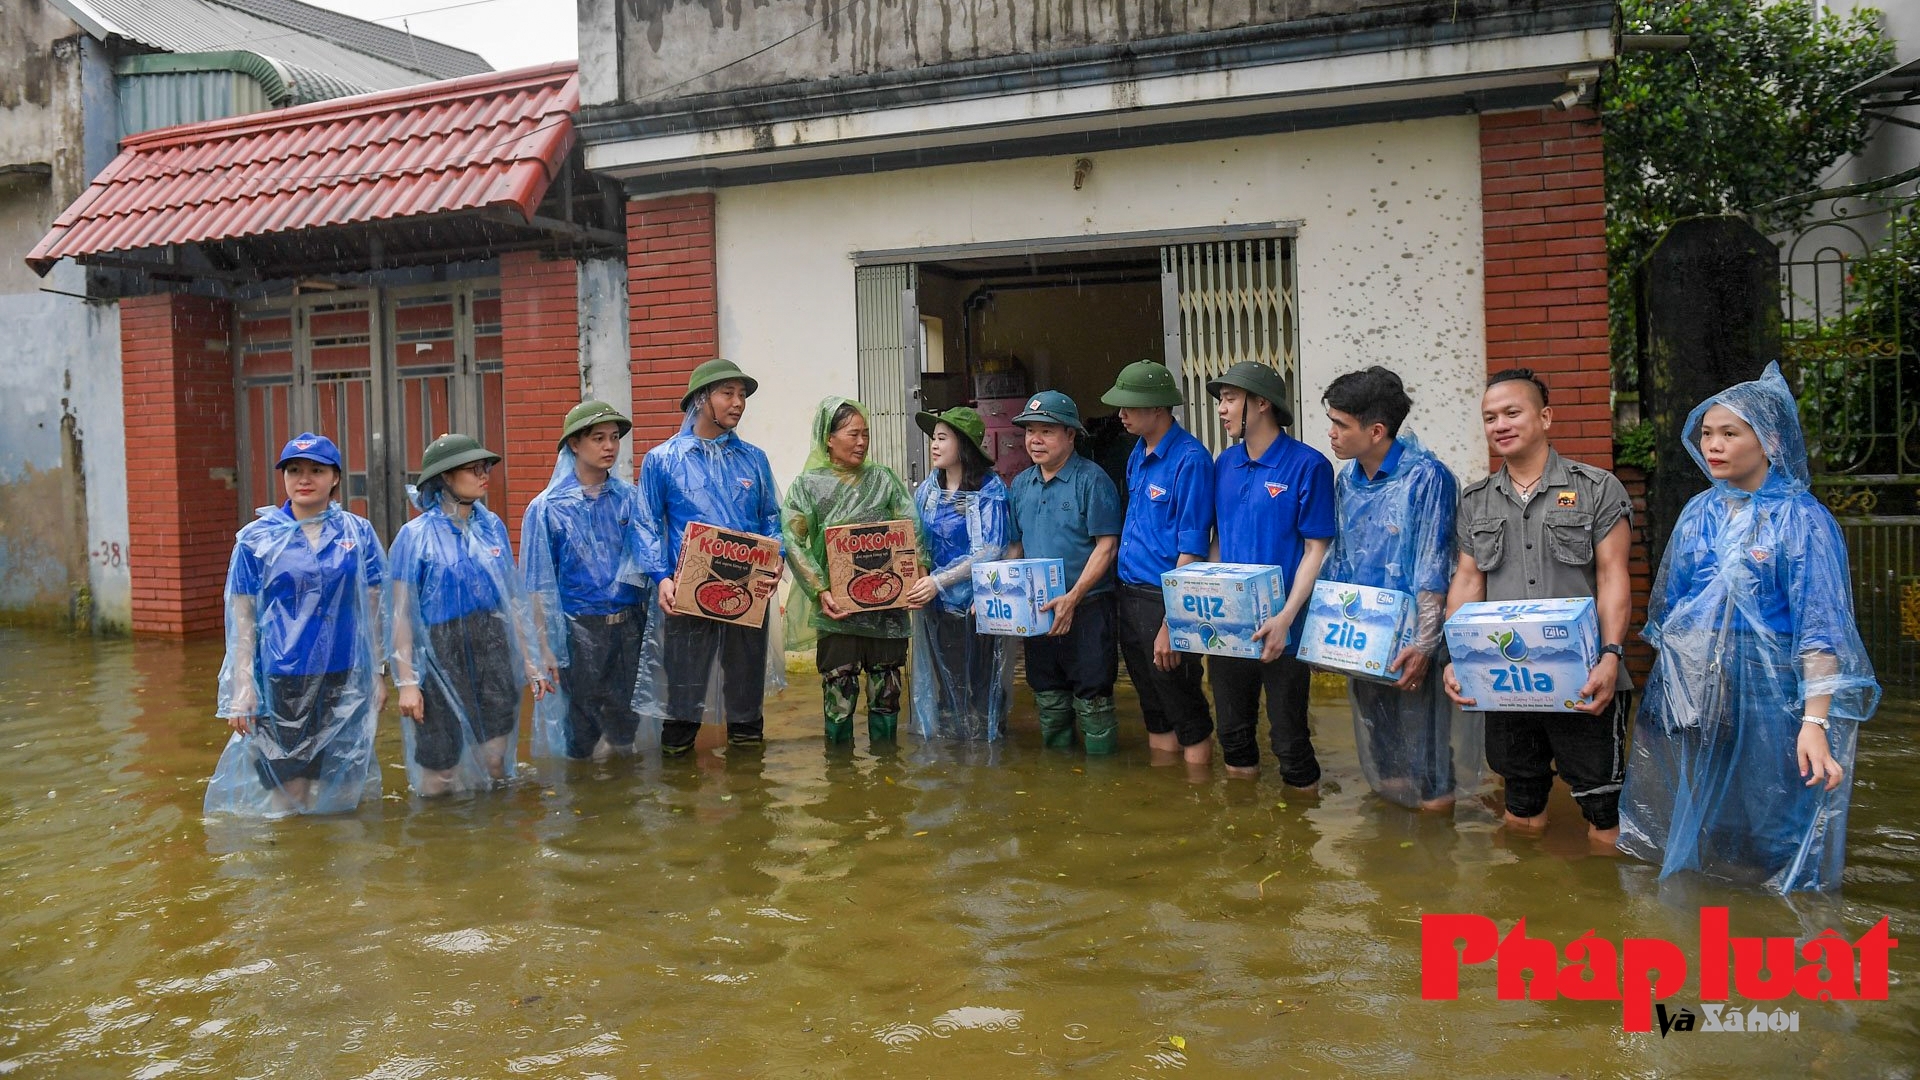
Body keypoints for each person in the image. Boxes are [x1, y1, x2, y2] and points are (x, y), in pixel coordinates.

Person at [1617, 363, 1878, 893]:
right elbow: (1674, 614)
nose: (1713, 445)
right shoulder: (1698, 513)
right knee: (1712, 820)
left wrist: (1815, 722)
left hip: (1774, 693)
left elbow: (1820, 627)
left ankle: (1785, 941)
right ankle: (1717, 939)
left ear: (1770, 441)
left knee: (1777, 814)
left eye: (1730, 433)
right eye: (1707, 433)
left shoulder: (1803, 519)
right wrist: (1679, 700)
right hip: (1703, 687)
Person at [1442, 368, 1634, 846]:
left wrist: (1611, 655)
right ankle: (1526, 904)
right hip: (1505, 677)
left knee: (1600, 802)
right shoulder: (1475, 501)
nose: (1500, 425)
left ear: (1545, 417)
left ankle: (1601, 907)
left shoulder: (1596, 488)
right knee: (1520, 796)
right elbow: (1467, 580)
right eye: (1490, 417)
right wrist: (1455, 658)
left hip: (1583, 673)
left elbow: (1613, 577)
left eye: (1512, 412)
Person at [208, 433, 386, 817]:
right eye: (294, 470)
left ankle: (332, 874)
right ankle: (289, 870)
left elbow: (373, 608)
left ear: (335, 477)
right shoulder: (256, 540)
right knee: (289, 789)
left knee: (341, 782)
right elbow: (242, 619)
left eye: (316, 470)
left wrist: (376, 674)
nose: (304, 479)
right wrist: (243, 687)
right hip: (282, 680)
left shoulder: (357, 533)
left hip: (344, 678)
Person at [1320, 366, 1471, 811]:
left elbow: (1433, 567)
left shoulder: (1428, 478)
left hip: (1413, 642)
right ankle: (1394, 857)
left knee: (1428, 757)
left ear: (1377, 430)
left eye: (1340, 424)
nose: (1331, 433)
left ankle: (1433, 853)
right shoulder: (1347, 479)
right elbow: (1342, 560)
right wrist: (1325, 641)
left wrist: (1424, 645)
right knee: (1383, 752)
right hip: (1363, 636)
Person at [387, 434, 551, 795]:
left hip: (493, 646)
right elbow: (400, 614)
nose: (484, 474)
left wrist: (529, 659)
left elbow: (512, 599)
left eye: (485, 467)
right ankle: (441, 839)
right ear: (445, 476)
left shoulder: (491, 526)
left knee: (494, 760)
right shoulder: (413, 537)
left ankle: (491, 840)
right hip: (439, 654)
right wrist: (408, 682)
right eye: (473, 468)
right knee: (439, 774)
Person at [637, 359, 783, 756]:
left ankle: (751, 795)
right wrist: (661, 578)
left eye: (742, 395)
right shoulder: (663, 460)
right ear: (701, 400)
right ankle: (677, 789)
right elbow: (646, 524)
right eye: (727, 393)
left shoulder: (754, 459)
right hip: (685, 597)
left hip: (746, 594)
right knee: (682, 699)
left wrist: (776, 559)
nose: (738, 403)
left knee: (746, 698)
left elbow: (772, 519)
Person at [1207, 362, 1336, 785]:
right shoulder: (1224, 463)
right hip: (1229, 629)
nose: (1222, 410)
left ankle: (1300, 839)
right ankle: (1244, 837)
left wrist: (1284, 618)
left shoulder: (1308, 466)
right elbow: (1218, 542)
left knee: (1289, 740)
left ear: (1261, 403)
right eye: (1221, 400)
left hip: (1286, 629)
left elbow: (1316, 549)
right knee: (1233, 736)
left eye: (1229, 399)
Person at [782, 397, 924, 744]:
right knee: (839, 693)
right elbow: (794, 540)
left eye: (866, 434)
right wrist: (820, 589)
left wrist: (916, 574)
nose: (862, 442)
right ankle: (840, 773)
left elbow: (912, 529)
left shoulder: (884, 480)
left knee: (887, 692)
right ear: (828, 438)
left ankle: (887, 770)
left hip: (886, 610)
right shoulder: (807, 486)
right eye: (853, 434)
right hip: (837, 612)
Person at [522, 401, 651, 763]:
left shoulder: (630, 499)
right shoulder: (545, 508)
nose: (609, 446)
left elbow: (648, 562)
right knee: (581, 733)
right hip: (577, 634)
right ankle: (586, 807)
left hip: (628, 628)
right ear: (574, 444)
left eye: (614, 438)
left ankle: (621, 805)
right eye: (598, 438)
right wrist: (544, 648)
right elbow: (537, 584)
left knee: (626, 729)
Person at [1100, 360, 1215, 767]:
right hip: (1129, 591)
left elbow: (1193, 547)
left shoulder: (1190, 460)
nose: (1121, 414)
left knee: (1181, 696)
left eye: (1130, 406)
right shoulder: (1137, 452)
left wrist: (1173, 621)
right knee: (1150, 696)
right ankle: (1168, 793)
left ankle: (1201, 794)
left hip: (1164, 597)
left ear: (1160, 409)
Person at [1002, 390, 1123, 753]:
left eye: (1047, 431)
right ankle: (1059, 786)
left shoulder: (1092, 480)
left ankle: (1102, 785)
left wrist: (1073, 597)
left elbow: (1107, 546)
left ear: (1071, 435)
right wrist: (996, 596)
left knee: (1093, 699)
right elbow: (1015, 547)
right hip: (1039, 612)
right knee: (1048, 696)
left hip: (1088, 609)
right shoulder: (1021, 484)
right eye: (1029, 431)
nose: (1035, 440)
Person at [904, 407, 1015, 741]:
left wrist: (940, 581)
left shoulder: (988, 489)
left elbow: (989, 550)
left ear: (963, 445)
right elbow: (916, 540)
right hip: (936, 607)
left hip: (974, 606)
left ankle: (984, 759)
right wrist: (924, 581)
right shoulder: (929, 489)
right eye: (933, 439)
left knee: (979, 688)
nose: (934, 446)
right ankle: (952, 763)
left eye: (942, 439)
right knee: (946, 688)